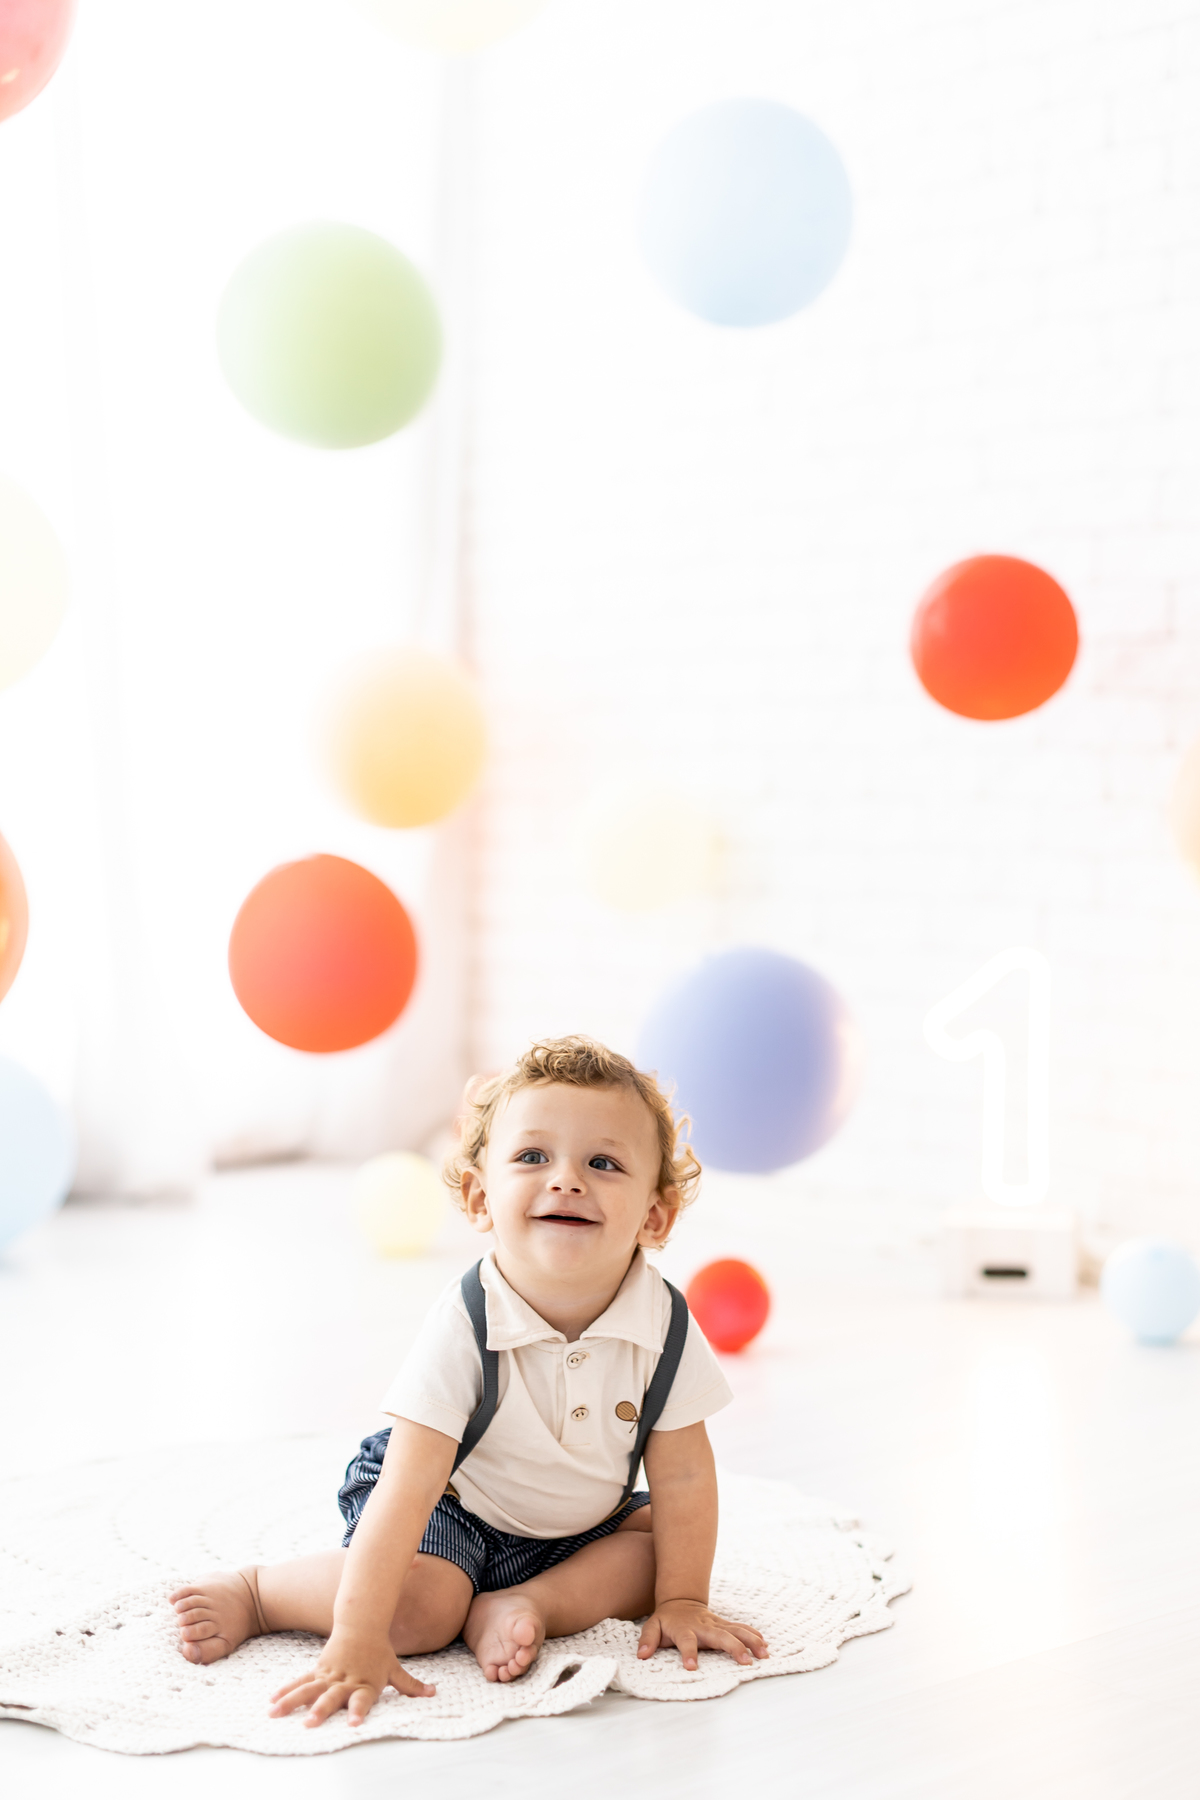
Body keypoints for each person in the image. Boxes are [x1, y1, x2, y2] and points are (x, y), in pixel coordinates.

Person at [169, 1035, 768, 1727]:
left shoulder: (663, 1323)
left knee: (669, 1544)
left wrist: (684, 1600)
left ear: (654, 1215)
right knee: (421, 1613)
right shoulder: (467, 1320)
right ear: (481, 1197)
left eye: (602, 1163)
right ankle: (261, 1593)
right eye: (533, 1157)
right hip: (448, 1506)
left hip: (576, 1525)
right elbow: (408, 1487)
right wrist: (357, 1635)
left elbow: (685, 1475)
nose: (566, 1180)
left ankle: (526, 1603)